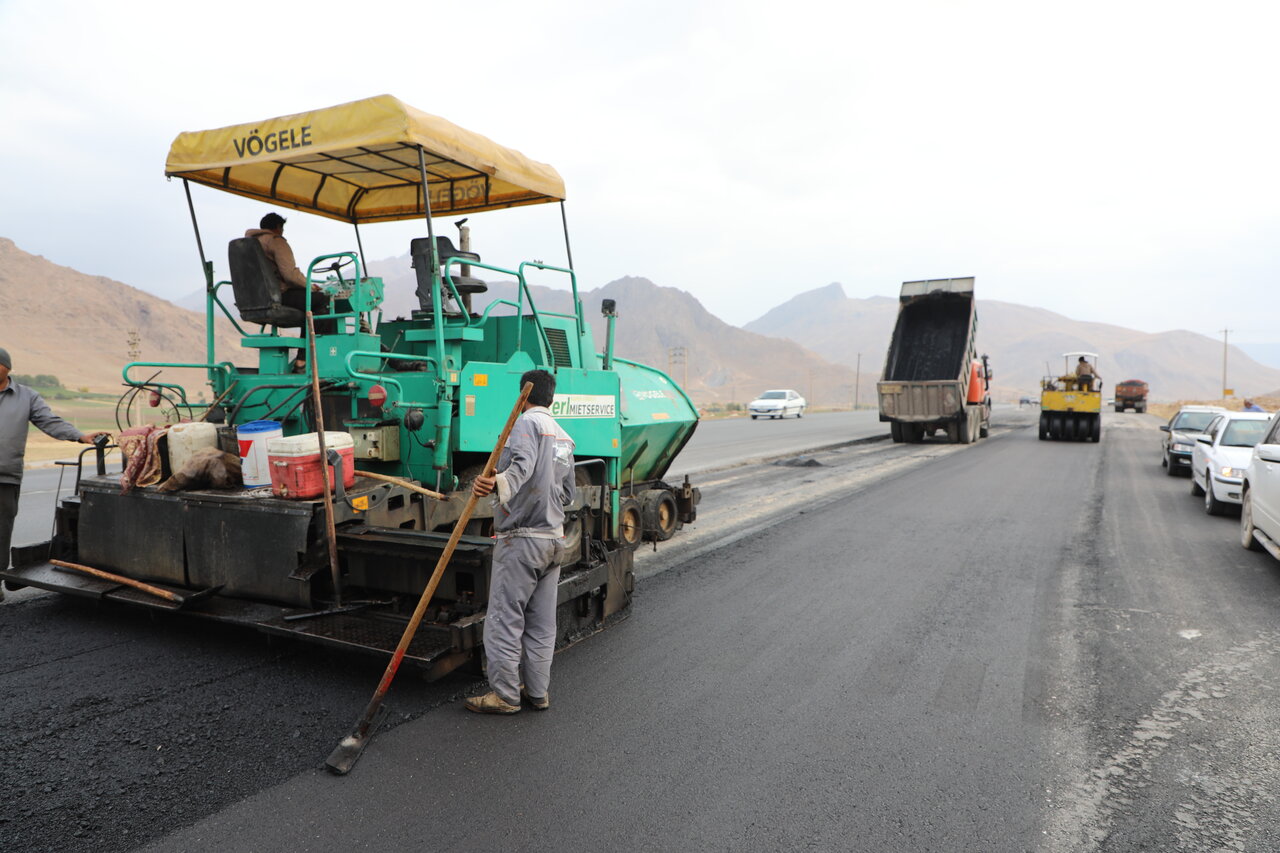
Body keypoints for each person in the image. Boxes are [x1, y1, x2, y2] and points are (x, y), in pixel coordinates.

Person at [466, 369, 576, 714]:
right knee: (542, 623)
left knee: (505, 618)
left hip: (522, 539)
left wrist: (497, 483)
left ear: (522, 397)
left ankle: (505, 696)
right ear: (553, 399)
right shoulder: (564, 437)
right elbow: (569, 494)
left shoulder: (526, 423)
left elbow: (523, 466)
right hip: (554, 541)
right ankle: (537, 693)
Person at [0, 348, 110, 602]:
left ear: (6, 367)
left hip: (4, 476)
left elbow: (50, 422)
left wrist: (81, 436)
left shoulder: (26, 397)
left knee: (0, 531)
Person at [244, 212, 343, 369]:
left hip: (255, 299)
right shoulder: (276, 241)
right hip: (278, 296)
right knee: (324, 301)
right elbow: (290, 275)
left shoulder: (247, 244)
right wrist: (310, 286)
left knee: (309, 302)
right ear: (278, 227)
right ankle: (306, 359)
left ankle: (304, 357)